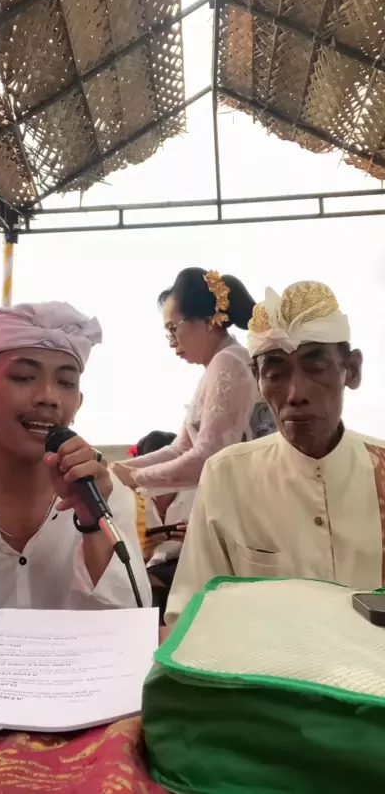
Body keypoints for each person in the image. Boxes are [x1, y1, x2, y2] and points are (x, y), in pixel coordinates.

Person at [0, 301, 151, 616]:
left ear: (78, 403)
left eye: (66, 382)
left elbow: (130, 623)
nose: (48, 396)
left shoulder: (105, 494)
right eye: (23, 377)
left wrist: (93, 525)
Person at [165, 279, 385, 625]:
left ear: (352, 370)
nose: (296, 393)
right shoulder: (227, 478)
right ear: (257, 380)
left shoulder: (381, 470)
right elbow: (190, 616)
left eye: (316, 367)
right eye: (275, 373)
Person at [112, 268, 275, 495]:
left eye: (173, 329)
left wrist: (132, 477)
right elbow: (180, 449)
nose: (171, 342)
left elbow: (209, 457)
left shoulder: (229, 361)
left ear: (208, 321)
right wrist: (118, 469)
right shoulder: (220, 363)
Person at [130, 430, 195, 622]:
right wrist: (143, 549)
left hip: (186, 565)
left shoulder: (197, 493)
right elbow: (122, 558)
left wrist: (194, 539)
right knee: (147, 585)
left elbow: (215, 542)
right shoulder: (131, 499)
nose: (163, 477)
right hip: (148, 570)